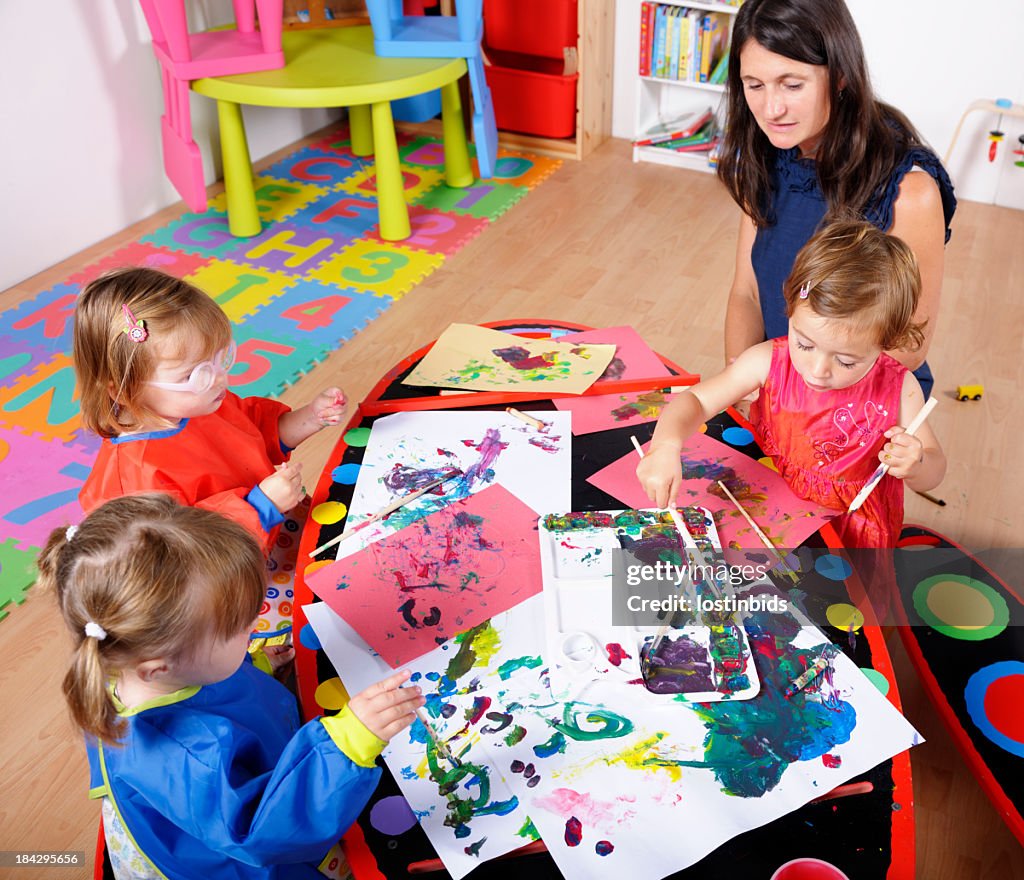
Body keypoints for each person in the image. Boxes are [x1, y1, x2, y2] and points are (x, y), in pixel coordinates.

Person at [40, 494, 422, 879]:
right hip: (242, 847)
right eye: (239, 630)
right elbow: (266, 831)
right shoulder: (183, 755)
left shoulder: (136, 657)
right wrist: (349, 742)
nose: (255, 627)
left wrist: (256, 663)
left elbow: (215, 679)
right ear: (159, 668)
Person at [637, 221, 946, 551]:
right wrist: (666, 446)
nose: (817, 370)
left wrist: (916, 464)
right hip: (767, 503)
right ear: (791, 308)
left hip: (851, 530)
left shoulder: (900, 389)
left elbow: (934, 469)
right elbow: (695, 401)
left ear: (887, 342)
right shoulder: (767, 360)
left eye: (845, 361)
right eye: (805, 343)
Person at [73, 267, 347, 635]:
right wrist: (260, 506)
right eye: (193, 374)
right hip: (225, 587)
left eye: (221, 358)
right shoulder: (136, 478)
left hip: (275, 530)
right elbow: (183, 559)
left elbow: (253, 431)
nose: (218, 378)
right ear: (123, 391)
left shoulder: (200, 404)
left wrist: (310, 418)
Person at [716, 0, 956, 399]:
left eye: (792, 85)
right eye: (754, 85)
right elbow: (748, 293)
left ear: (841, 76)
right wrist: (742, 385)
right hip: (779, 382)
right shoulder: (764, 156)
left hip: (859, 401)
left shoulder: (910, 192)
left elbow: (908, 346)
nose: (771, 109)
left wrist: (802, 399)